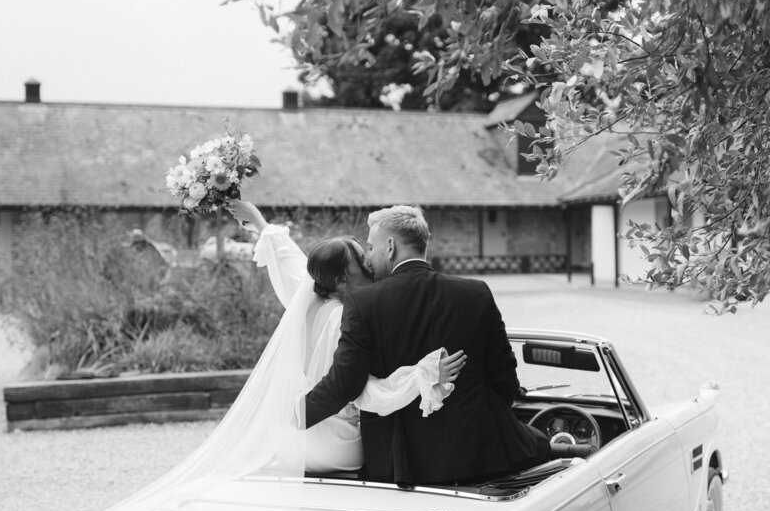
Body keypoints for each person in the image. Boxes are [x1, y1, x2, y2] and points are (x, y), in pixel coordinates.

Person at [305, 204, 551, 487]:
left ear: (390, 246)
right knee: (547, 448)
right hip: (481, 454)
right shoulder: (476, 293)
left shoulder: (363, 304)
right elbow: (505, 378)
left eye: (371, 248)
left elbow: (345, 384)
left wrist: (291, 417)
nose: (369, 258)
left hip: (401, 465)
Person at [228, 200, 466, 473]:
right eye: (363, 262)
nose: (371, 265)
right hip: (337, 448)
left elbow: (289, 262)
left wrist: (260, 223)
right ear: (342, 280)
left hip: (294, 445)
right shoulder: (344, 320)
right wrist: (423, 374)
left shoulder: (306, 299)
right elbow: (362, 391)